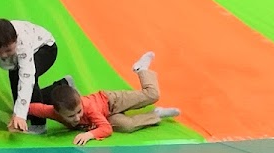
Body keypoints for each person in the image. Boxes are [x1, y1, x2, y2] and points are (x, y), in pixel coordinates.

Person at [27, 51, 180, 145]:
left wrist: (89, 134)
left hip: (111, 101)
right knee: (128, 126)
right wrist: (19, 116)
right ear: (58, 113)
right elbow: (34, 108)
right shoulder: (52, 112)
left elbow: (106, 129)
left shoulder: (88, 108)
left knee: (152, 95)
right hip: (106, 116)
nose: (77, 118)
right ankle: (156, 114)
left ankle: (142, 69)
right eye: (71, 116)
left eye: (78, 112)